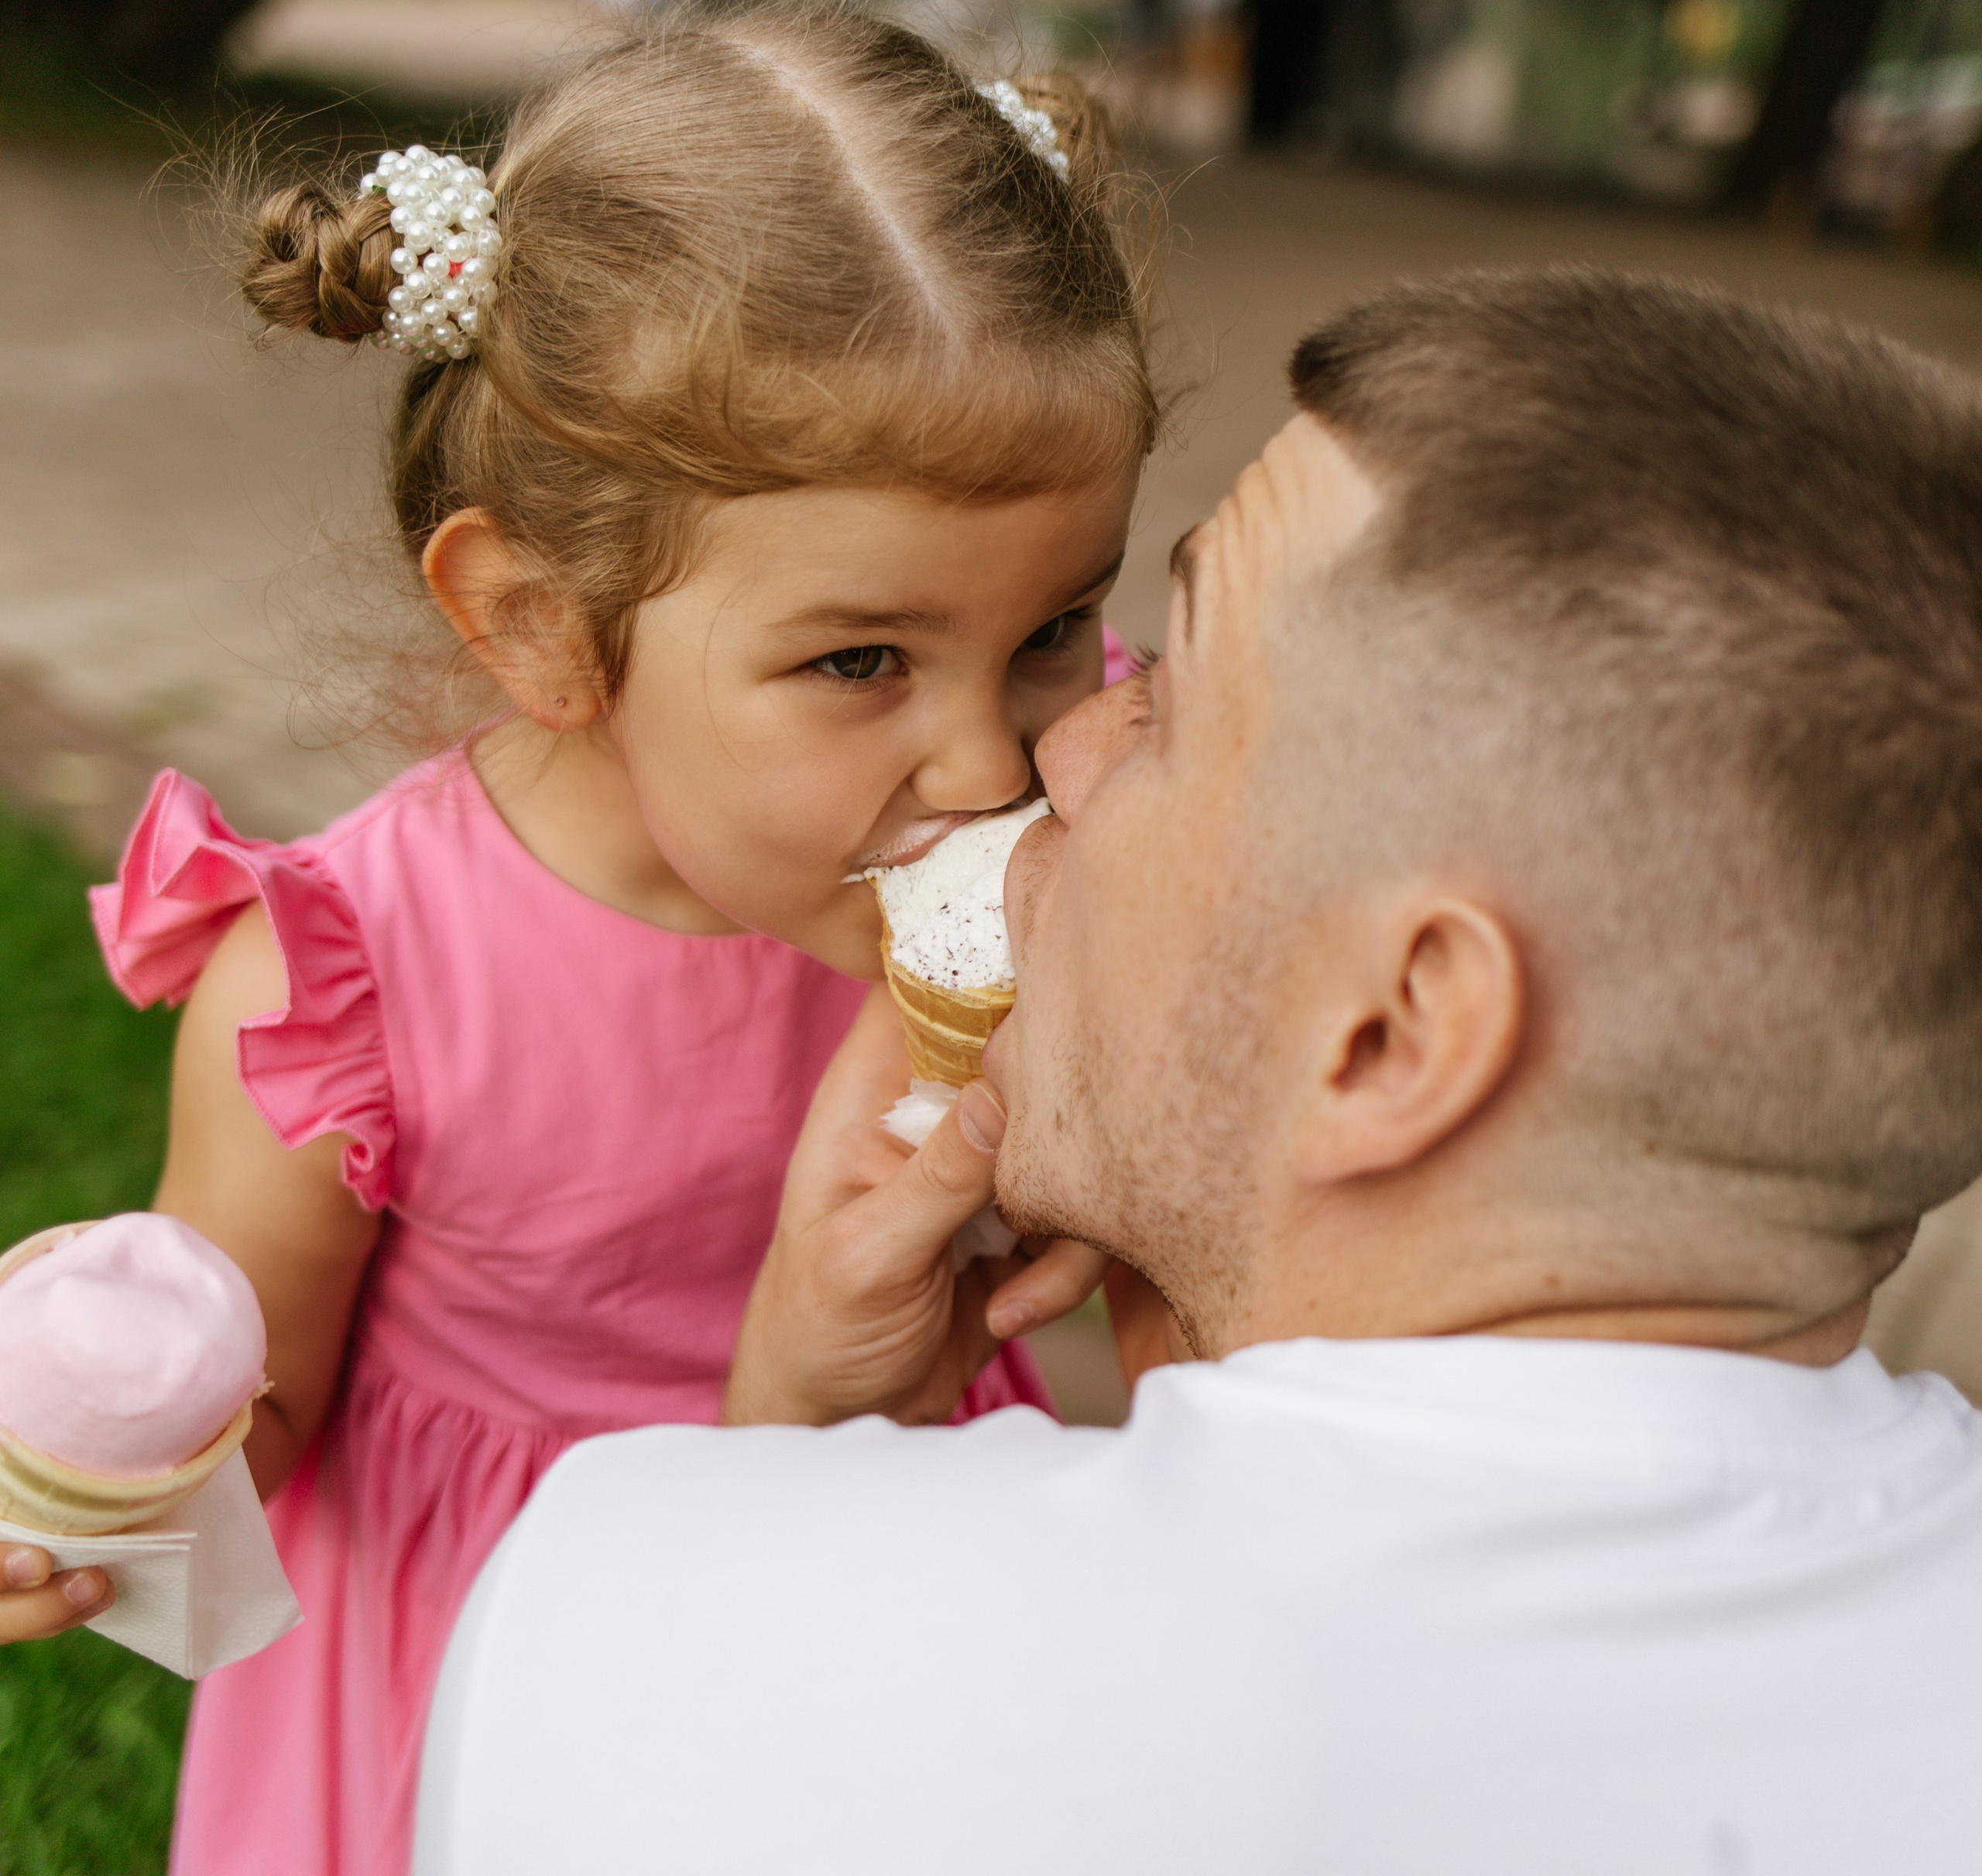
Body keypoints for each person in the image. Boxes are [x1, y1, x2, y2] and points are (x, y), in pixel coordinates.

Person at [419, 270, 1982, 1875]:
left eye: (1163, 707)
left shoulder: (622, 1626)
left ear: (1390, 1033)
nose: (1050, 758)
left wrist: (773, 1487)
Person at [67, 3, 1152, 1876]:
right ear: (535, 622)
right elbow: (250, 1435)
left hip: (904, 1583)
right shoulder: (346, 983)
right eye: (859, 661)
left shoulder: (1091, 826)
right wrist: (94, 1468)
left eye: (1056, 621)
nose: (986, 757)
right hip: (481, 1673)